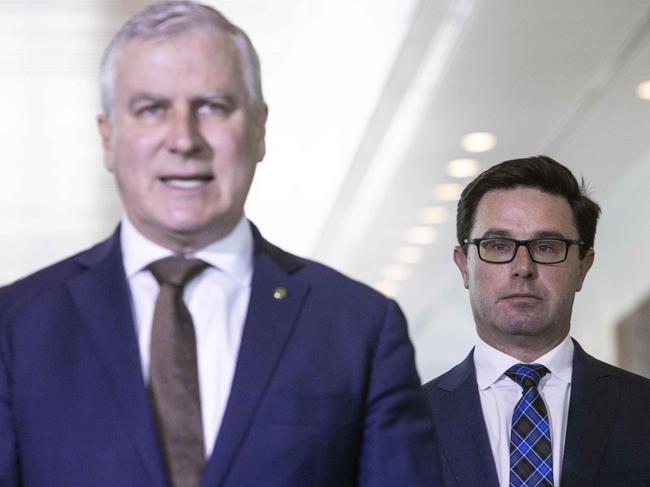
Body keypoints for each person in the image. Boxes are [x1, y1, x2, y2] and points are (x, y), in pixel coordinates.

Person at [0, 2, 440, 486]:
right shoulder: (16, 328)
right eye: (152, 109)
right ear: (107, 138)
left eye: (212, 106)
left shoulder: (359, 328)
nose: (184, 139)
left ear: (259, 129)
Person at [423, 155, 650, 487]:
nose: (523, 267)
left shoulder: (642, 410)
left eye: (546, 246)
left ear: (582, 267)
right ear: (464, 266)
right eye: (498, 245)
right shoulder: (404, 423)